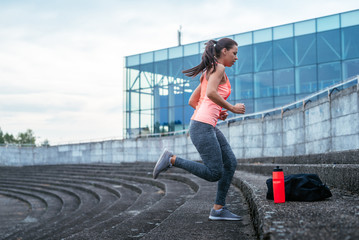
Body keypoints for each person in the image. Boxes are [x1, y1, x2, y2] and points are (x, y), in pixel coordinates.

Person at [153, 38, 245, 221]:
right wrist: (232, 108)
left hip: (205, 124)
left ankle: (219, 209)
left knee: (231, 162)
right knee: (214, 173)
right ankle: (171, 159)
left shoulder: (208, 72)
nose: (236, 58)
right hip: (202, 127)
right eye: (234, 53)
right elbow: (211, 93)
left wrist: (218, 113)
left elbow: (194, 101)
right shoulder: (218, 68)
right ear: (224, 51)